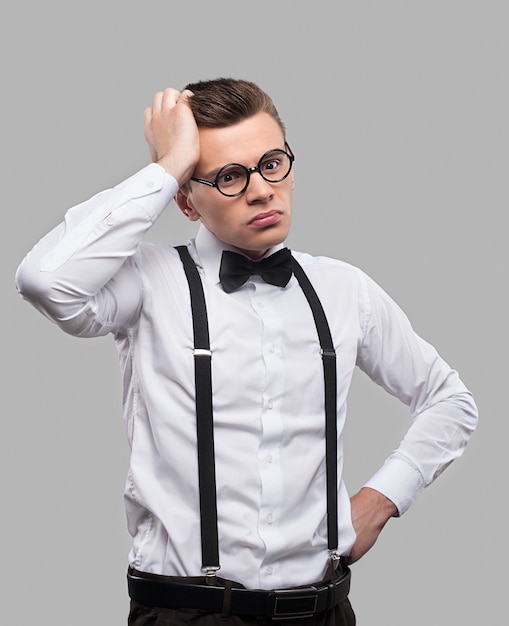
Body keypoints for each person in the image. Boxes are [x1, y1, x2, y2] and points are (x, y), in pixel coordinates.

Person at [15, 78, 478, 626]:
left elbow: (450, 401)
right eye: (230, 176)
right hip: (184, 612)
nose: (261, 190)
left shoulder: (344, 288)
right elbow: (45, 280)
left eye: (272, 163)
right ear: (186, 201)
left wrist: (383, 498)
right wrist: (169, 165)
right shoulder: (146, 280)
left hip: (322, 612)